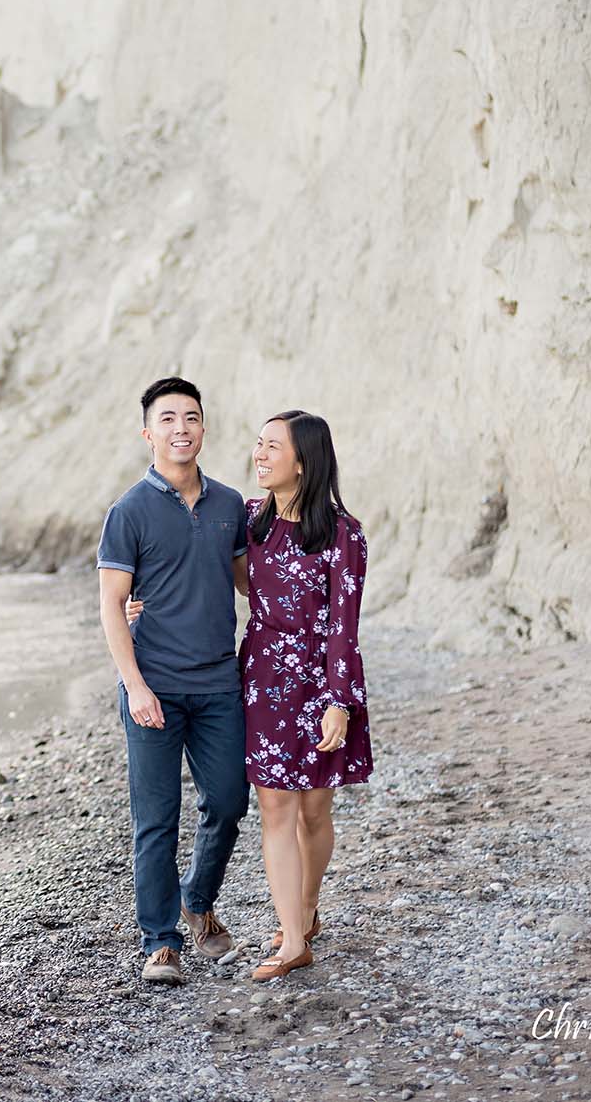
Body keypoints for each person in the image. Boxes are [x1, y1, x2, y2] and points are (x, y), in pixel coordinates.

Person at [95, 376, 251, 984]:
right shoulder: (129, 511)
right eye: (167, 419)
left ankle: (197, 899)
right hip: (152, 682)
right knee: (156, 818)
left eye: (191, 417)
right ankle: (161, 940)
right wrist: (134, 685)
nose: (180, 428)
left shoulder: (230, 505)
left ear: (204, 429)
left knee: (229, 801)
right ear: (148, 432)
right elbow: (112, 605)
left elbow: (246, 582)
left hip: (218, 683)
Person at [238, 410, 372, 981]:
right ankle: (293, 939)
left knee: (315, 809)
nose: (260, 455)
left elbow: (345, 624)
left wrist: (339, 700)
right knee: (275, 806)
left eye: (273, 447)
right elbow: (210, 568)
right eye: (259, 445)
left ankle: (308, 909)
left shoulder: (343, 535)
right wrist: (138, 603)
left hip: (321, 678)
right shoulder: (248, 519)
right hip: (265, 673)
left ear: (303, 461)